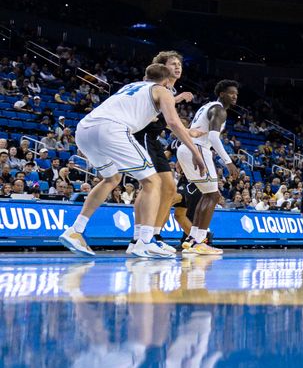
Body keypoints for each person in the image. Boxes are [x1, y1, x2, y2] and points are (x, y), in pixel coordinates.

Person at [58, 64, 205, 258]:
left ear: (146, 76)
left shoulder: (132, 87)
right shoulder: (163, 90)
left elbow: (152, 108)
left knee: (111, 179)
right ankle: (145, 241)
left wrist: (176, 100)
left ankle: (76, 230)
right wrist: (195, 151)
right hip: (112, 129)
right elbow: (173, 122)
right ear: (167, 81)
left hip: (85, 129)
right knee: (153, 182)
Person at [176, 79, 240, 256]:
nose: (234, 96)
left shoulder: (206, 107)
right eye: (231, 92)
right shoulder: (219, 109)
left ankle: (192, 239)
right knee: (213, 195)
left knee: (208, 194)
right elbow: (213, 138)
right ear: (221, 94)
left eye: (236, 93)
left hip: (186, 148)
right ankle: (199, 241)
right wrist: (228, 162)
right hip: (197, 149)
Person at [139, 51, 195, 249]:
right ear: (162, 67)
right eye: (173, 63)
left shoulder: (170, 90)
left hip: (154, 140)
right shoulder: (156, 86)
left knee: (169, 189)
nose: (178, 67)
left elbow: (170, 120)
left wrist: (188, 130)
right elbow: (169, 121)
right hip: (143, 136)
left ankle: (155, 234)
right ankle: (140, 238)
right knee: (149, 185)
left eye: (180, 63)